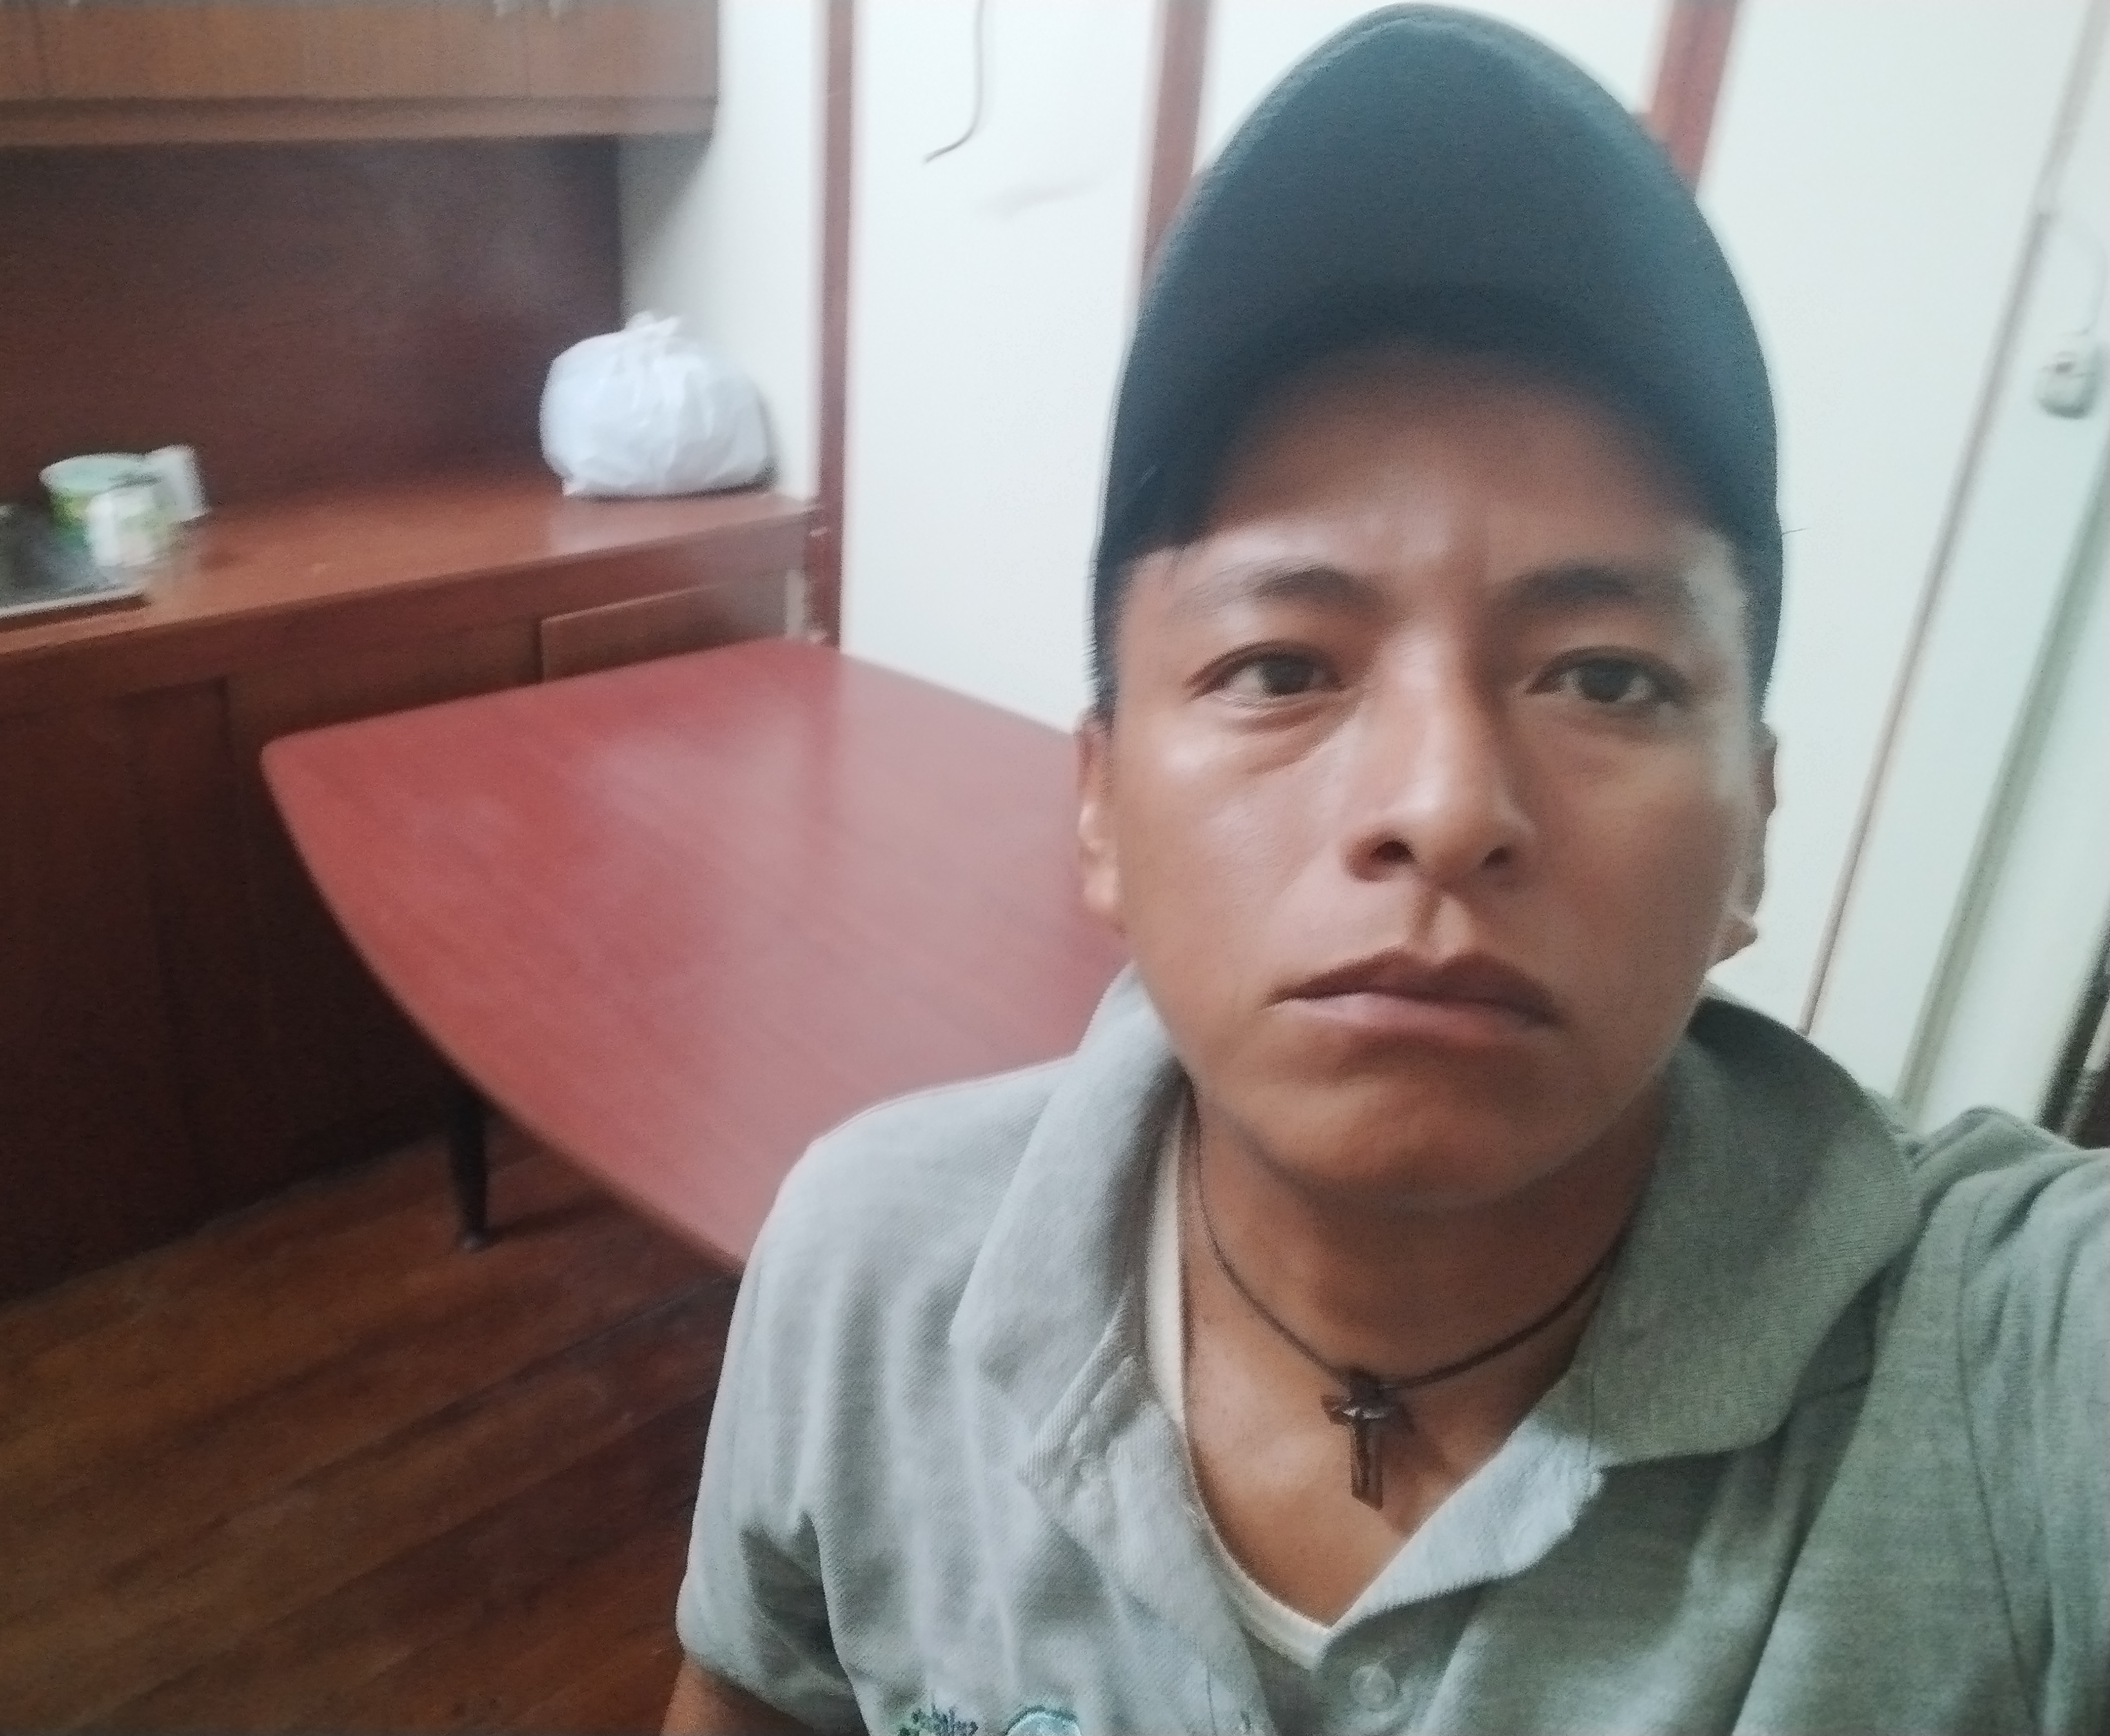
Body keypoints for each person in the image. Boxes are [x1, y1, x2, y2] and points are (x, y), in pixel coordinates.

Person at [663, 8, 2108, 1734]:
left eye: (1606, 678)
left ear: (1753, 834)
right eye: (1281, 666)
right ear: (1101, 807)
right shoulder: (869, 1262)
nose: (1442, 804)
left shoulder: (2013, 1365)